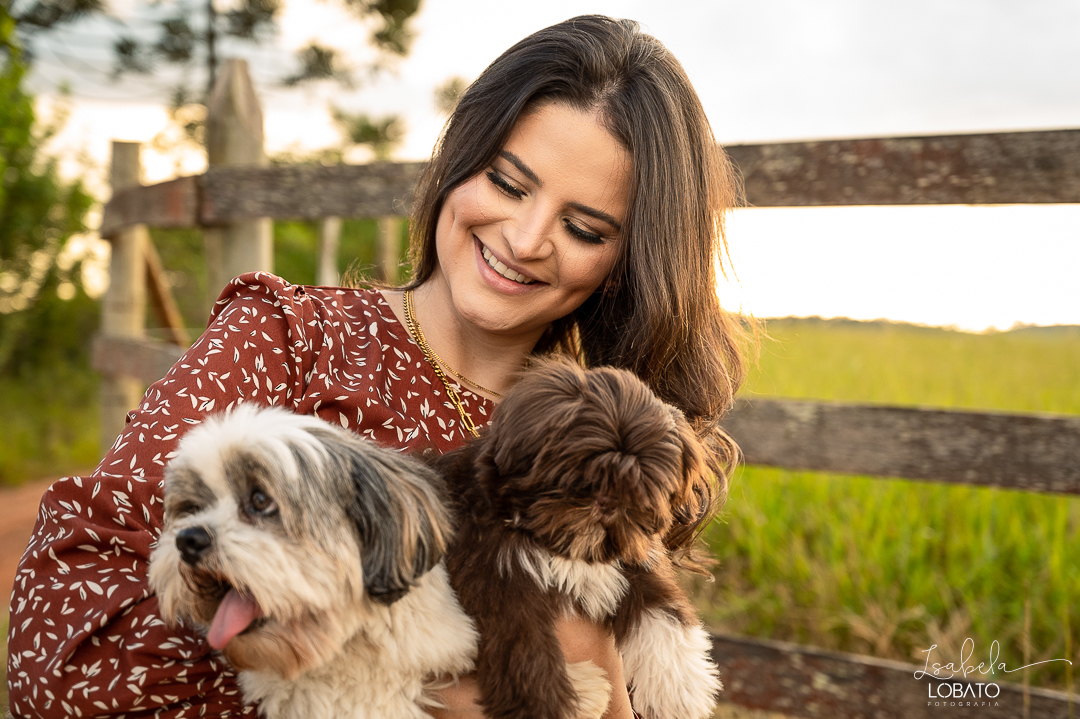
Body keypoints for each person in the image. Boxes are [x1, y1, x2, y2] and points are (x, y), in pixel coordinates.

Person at [5, 14, 747, 719]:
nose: (524, 238)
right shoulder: (288, 342)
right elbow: (62, 652)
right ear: (460, 159)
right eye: (508, 183)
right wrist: (411, 688)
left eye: (583, 227)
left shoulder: (601, 440)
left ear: (623, 264)